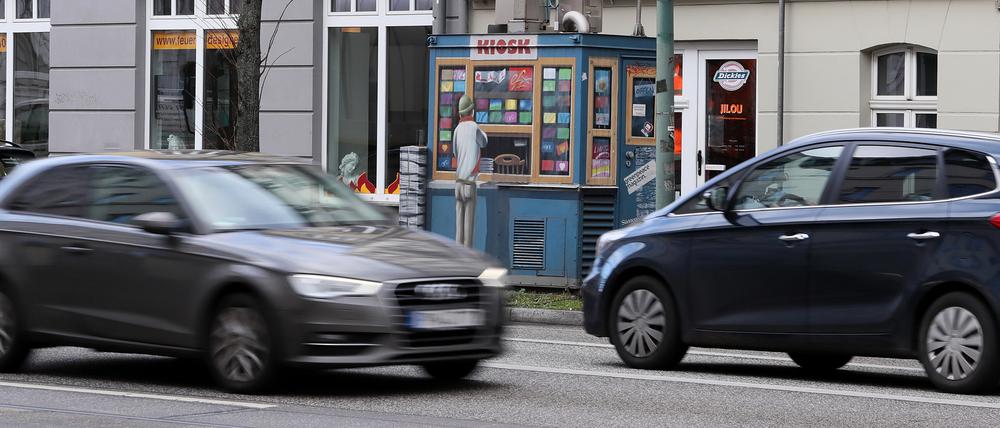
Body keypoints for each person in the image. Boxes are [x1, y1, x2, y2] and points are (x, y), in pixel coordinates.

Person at [453, 94, 488, 247]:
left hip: (458, 184)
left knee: (458, 229)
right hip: (469, 183)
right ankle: (467, 261)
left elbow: (455, 152)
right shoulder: (475, 128)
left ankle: (457, 260)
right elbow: (484, 142)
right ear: (472, 112)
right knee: (469, 228)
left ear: (460, 113)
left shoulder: (456, 130)